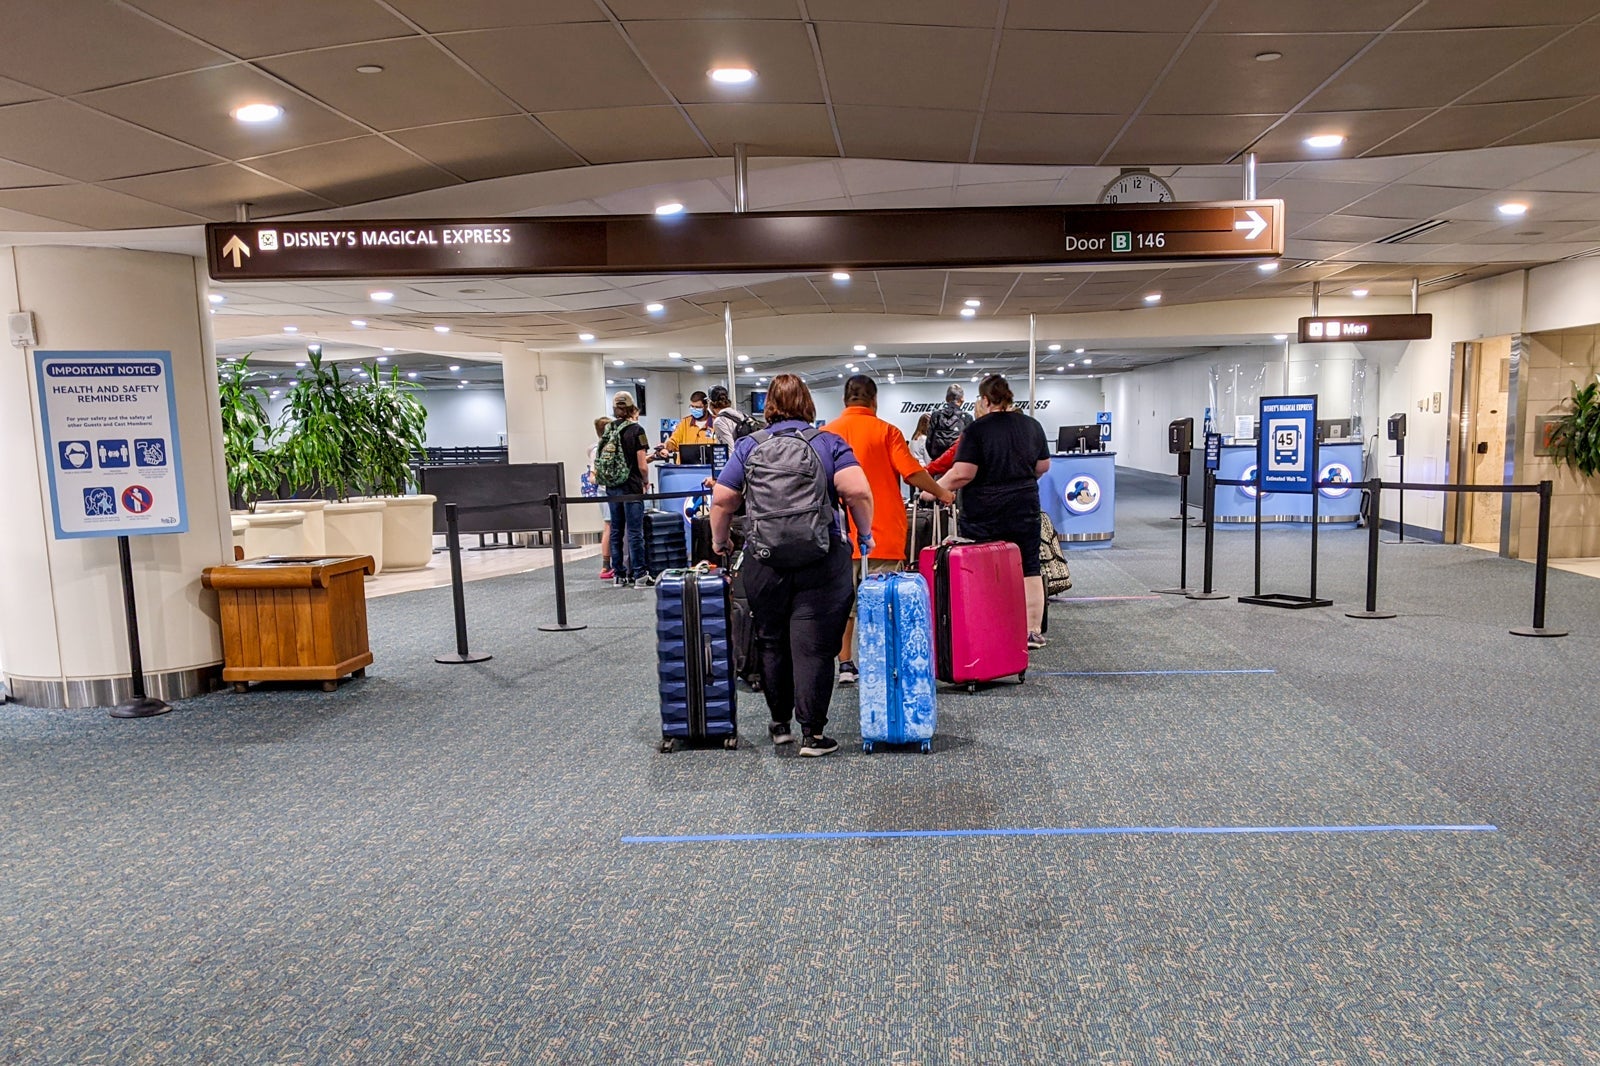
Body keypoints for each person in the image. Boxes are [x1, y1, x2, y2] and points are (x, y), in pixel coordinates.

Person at [710, 374, 873, 758]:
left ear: (768, 405)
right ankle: (813, 734)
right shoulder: (828, 442)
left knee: (771, 640)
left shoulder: (750, 445)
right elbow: (857, 491)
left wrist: (721, 542)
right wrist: (865, 534)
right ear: (809, 405)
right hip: (821, 557)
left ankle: (780, 724)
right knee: (814, 645)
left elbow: (722, 500)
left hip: (764, 561)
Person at [825, 375, 953, 684]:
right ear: (874, 400)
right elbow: (911, 473)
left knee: (845, 606)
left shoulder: (826, 434)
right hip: (880, 536)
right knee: (884, 605)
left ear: (845, 400)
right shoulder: (887, 432)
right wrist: (941, 492)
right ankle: (879, 662)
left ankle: (845, 665)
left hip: (837, 537)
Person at [934, 374, 1051, 650]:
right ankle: (1032, 630)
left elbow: (963, 473)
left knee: (983, 567)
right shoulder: (1032, 425)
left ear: (985, 400)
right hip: (1024, 506)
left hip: (984, 511)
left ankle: (988, 623)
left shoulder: (976, 430)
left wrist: (934, 489)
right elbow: (1043, 466)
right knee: (1030, 566)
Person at [600, 391, 652, 589]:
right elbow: (642, 465)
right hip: (631, 486)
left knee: (616, 530)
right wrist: (645, 481)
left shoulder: (609, 428)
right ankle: (640, 574)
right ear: (633, 408)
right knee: (634, 532)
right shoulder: (637, 430)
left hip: (612, 487)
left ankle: (619, 575)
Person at [587, 415, 615, 580]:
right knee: (609, 526)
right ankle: (606, 565)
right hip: (606, 491)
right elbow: (593, 476)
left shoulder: (601, 447)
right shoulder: (598, 450)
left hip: (608, 490)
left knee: (612, 527)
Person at [656, 390, 715, 459]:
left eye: (698, 407)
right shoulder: (685, 423)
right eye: (692, 406)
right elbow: (673, 441)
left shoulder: (716, 423)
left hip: (708, 466)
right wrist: (666, 448)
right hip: (686, 466)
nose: (694, 409)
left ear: (706, 406)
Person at [924, 383, 973, 460]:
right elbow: (970, 445)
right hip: (957, 463)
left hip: (937, 463)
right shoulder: (967, 418)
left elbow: (929, 442)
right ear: (962, 399)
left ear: (946, 399)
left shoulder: (936, 415)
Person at [708, 385, 754, 451]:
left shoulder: (720, 421)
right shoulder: (742, 415)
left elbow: (730, 450)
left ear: (710, 403)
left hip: (739, 459)